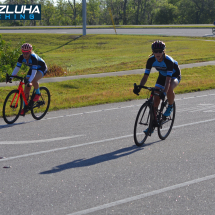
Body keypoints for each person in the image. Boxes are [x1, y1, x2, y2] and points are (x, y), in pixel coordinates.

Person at [133, 40, 181, 133]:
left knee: (169, 87)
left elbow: (168, 80)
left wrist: (164, 93)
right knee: (155, 101)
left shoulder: (168, 61)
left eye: (160, 51)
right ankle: (152, 125)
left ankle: (170, 106)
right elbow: (145, 76)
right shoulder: (151, 60)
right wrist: (139, 87)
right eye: (155, 51)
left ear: (163, 51)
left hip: (174, 76)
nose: (158, 53)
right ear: (153, 52)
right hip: (162, 76)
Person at [11, 43, 47, 116]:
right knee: (26, 89)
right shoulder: (21, 57)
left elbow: (34, 73)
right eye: (23, 53)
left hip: (41, 68)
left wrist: (29, 81)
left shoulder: (33, 57)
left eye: (27, 53)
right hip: (33, 68)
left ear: (30, 52)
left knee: (33, 80)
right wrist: (11, 77)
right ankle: (25, 108)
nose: (25, 55)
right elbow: (17, 68)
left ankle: (38, 93)